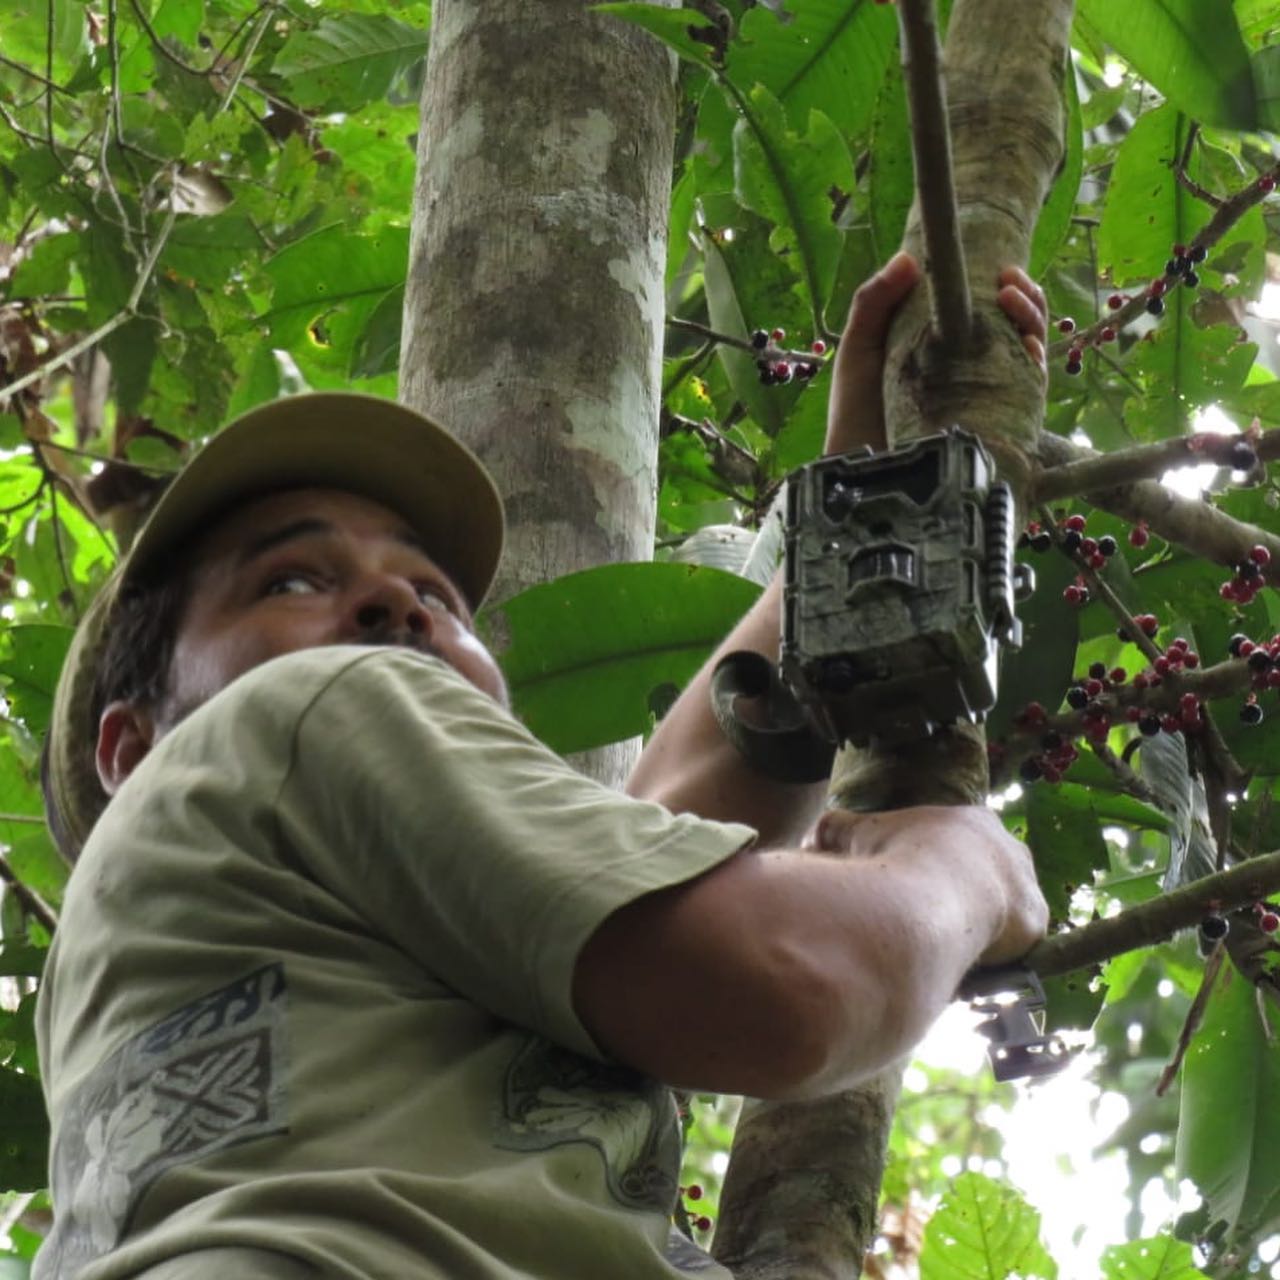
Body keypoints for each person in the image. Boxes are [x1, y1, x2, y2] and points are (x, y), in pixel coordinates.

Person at [33, 254, 1051, 1280]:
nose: (397, 602)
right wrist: (965, 869)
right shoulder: (316, 704)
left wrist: (846, 529)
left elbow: (643, 854)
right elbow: (781, 978)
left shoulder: (189, 953)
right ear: (130, 745)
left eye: (437, 594)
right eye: (291, 580)